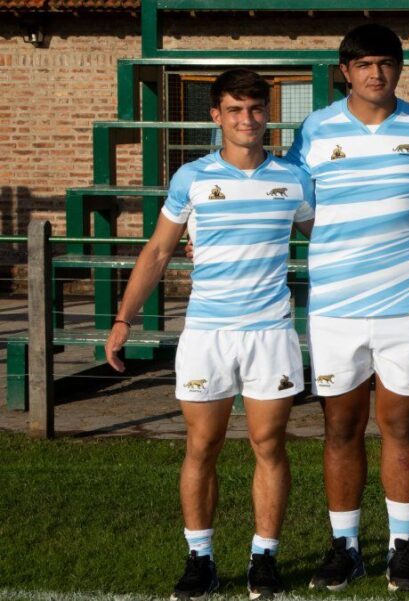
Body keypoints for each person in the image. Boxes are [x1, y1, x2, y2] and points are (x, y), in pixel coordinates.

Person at [105, 69, 314, 601]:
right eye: (236, 110)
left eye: (257, 109)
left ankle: (263, 557)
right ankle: (200, 558)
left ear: (268, 114)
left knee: (269, 444)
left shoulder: (293, 179)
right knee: (203, 445)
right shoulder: (191, 178)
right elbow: (157, 252)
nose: (248, 120)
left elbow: (329, 238)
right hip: (207, 332)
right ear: (216, 115)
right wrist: (123, 320)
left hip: (270, 331)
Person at [284, 23, 409, 593]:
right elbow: (291, 199)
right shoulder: (315, 130)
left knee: (401, 426)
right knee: (340, 427)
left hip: (407, 305)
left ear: (399, 69)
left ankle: (401, 547)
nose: (376, 73)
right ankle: (346, 546)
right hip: (336, 306)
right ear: (345, 71)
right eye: (364, 65)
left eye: (386, 63)